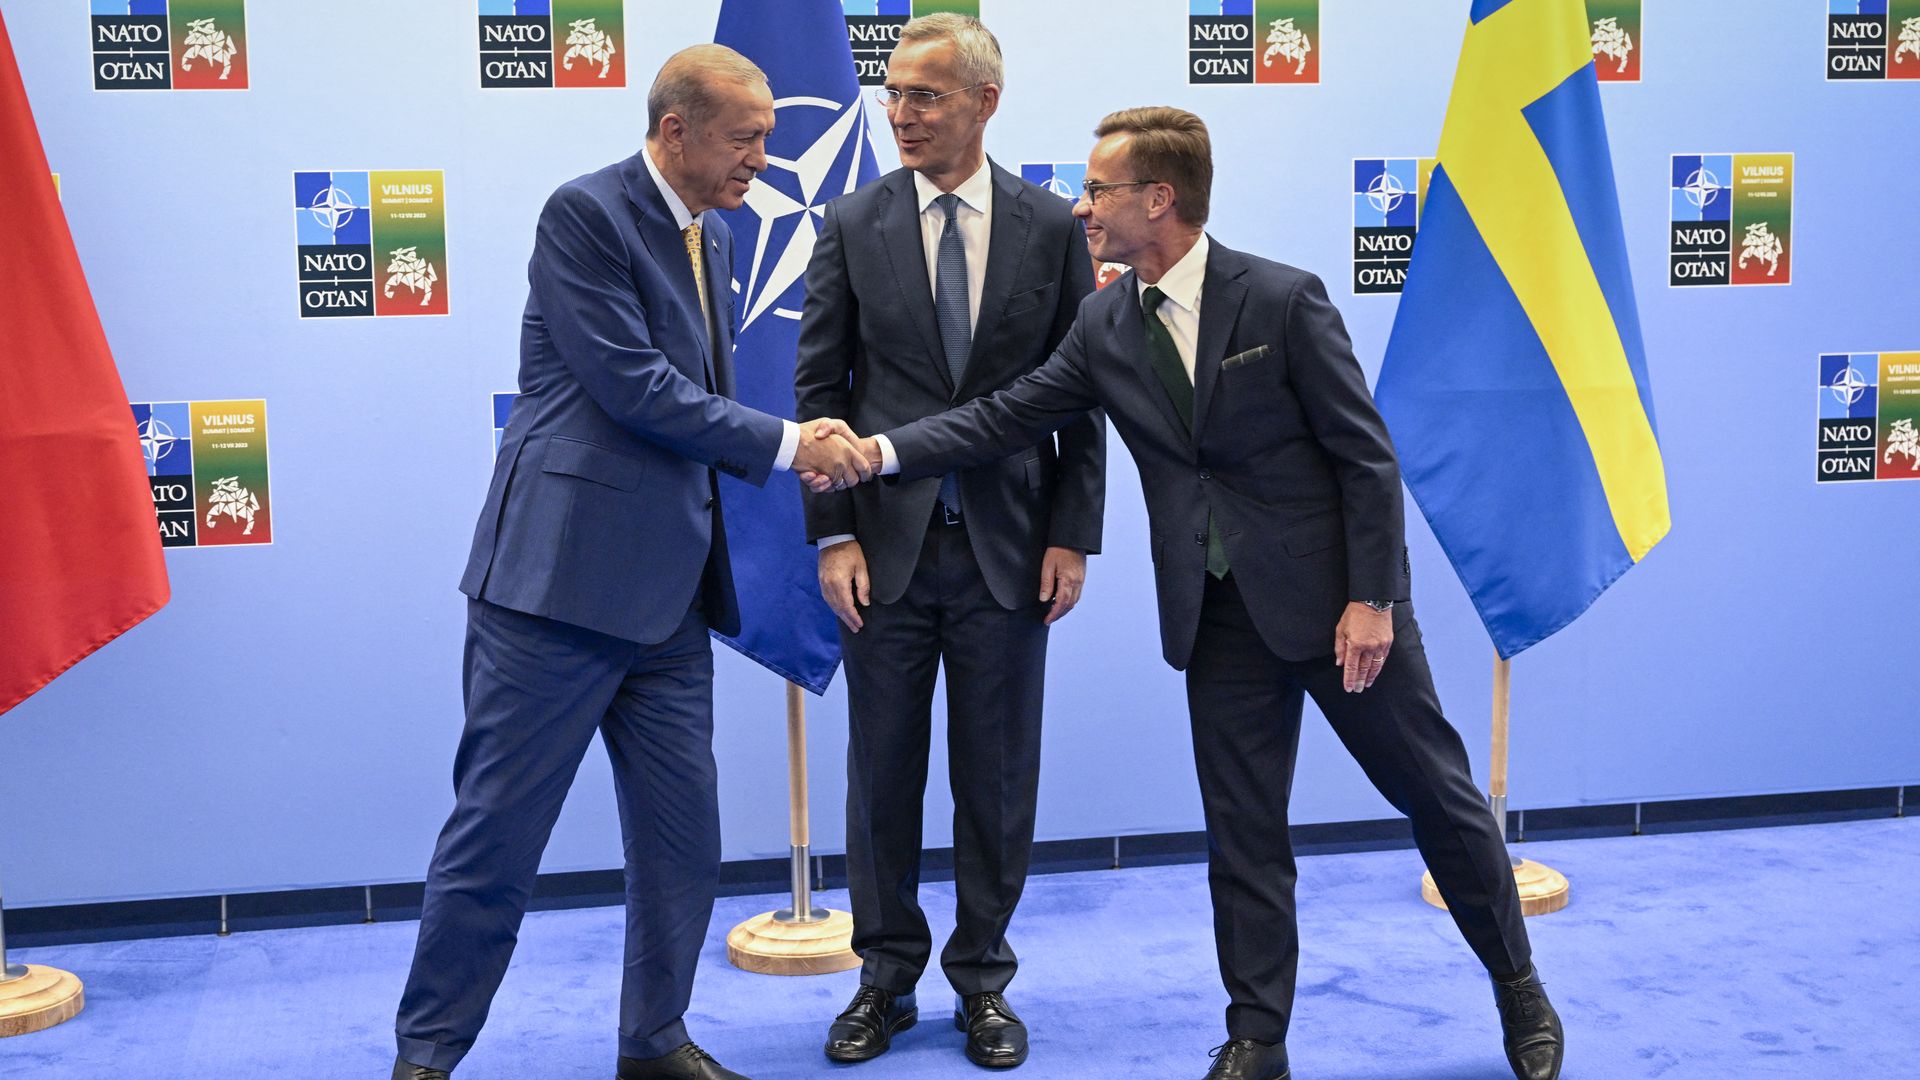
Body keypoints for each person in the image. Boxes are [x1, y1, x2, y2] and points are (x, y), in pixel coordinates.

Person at [810, 106, 1564, 1080]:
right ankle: (1257, 1037)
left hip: (1342, 616)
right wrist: (882, 451)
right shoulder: (1105, 323)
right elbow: (1007, 416)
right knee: (1244, 837)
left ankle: (1519, 990)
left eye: (1100, 190)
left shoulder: (1283, 301)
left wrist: (1373, 598)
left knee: (1441, 802)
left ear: (1158, 199)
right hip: (1216, 623)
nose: (1082, 207)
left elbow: (1366, 460)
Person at [389, 45, 870, 1080]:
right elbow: (635, 388)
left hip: (670, 604)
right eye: (745, 140)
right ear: (676, 131)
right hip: (557, 593)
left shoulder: (725, 235)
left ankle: (653, 1042)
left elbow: (689, 406)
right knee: (496, 846)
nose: (761, 161)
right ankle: (426, 1056)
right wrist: (792, 444)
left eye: (769, 142)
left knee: (682, 844)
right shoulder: (586, 215)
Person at [793, 14, 1104, 1071]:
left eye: (924, 95)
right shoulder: (849, 221)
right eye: (893, 93)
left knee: (997, 777)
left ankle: (983, 983)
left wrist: (1075, 535)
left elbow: (1085, 398)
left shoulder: (1055, 228)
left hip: (1012, 554)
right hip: (880, 556)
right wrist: (830, 533)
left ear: (984, 101)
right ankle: (884, 982)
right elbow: (817, 394)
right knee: (881, 776)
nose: (901, 113)